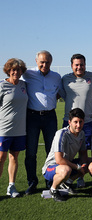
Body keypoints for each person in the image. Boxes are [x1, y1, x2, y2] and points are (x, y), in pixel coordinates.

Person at [22, 50, 63, 195]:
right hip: (32, 116)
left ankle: (50, 181)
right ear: (36, 61)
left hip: (50, 117)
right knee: (31, 152)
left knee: (51, 151)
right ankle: (32, 182)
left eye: (47, 62)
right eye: (42, 62)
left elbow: (59, 93)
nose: (44, 65)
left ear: (51, 62)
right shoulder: (27, 74)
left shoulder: (56, 77)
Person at [61, 54, 92, 188]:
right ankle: (67, 176)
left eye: (81, 64)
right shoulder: (65, 79)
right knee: (67, 153)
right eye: (76, 65)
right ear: (72, 66)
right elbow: (61, 94)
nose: (79, 67)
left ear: (85, 64)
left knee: (84, 152)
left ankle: (80, 177)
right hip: (68, 121)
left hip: (87, 121)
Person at [42, 108, 88, 202]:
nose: (78, 125)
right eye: (75, 122)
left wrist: (83, 165)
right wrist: (78, 167)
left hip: (67, 164)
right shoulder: (62, 134)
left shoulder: (82, 134)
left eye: (80, 122)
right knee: (66, 169)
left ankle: (67, 183)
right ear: (69, 122)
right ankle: (53, 190)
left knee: (90, 163)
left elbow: (83, 153)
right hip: (51, 167)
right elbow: (59, 159)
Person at [0, 59, 28, 198]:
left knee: (14, 157)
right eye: (13, 70)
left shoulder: (23, 85)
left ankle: (11, 186)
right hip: (3, 129)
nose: (16, 72)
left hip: (19, 129)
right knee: (1, 157)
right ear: (8, 71)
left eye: (19, 70)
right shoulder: (2, 86)